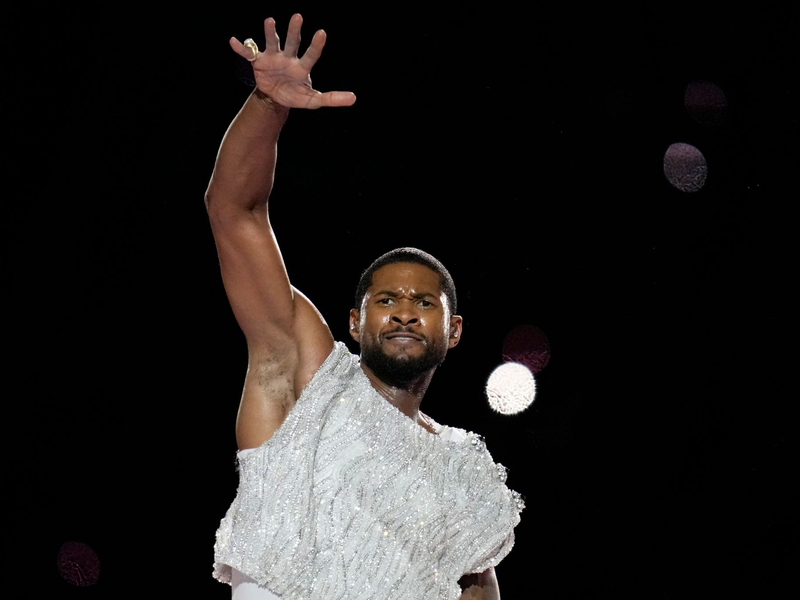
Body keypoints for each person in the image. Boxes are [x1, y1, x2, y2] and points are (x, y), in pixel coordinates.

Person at [206, 14, 523, 600]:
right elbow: (235, 212)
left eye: (424, 302)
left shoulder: (463, 466)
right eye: (385, 300)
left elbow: (477, 589)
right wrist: (266, 106)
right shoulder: (304, 376)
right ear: (355, 322)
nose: (404, 312)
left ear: (453, 330)